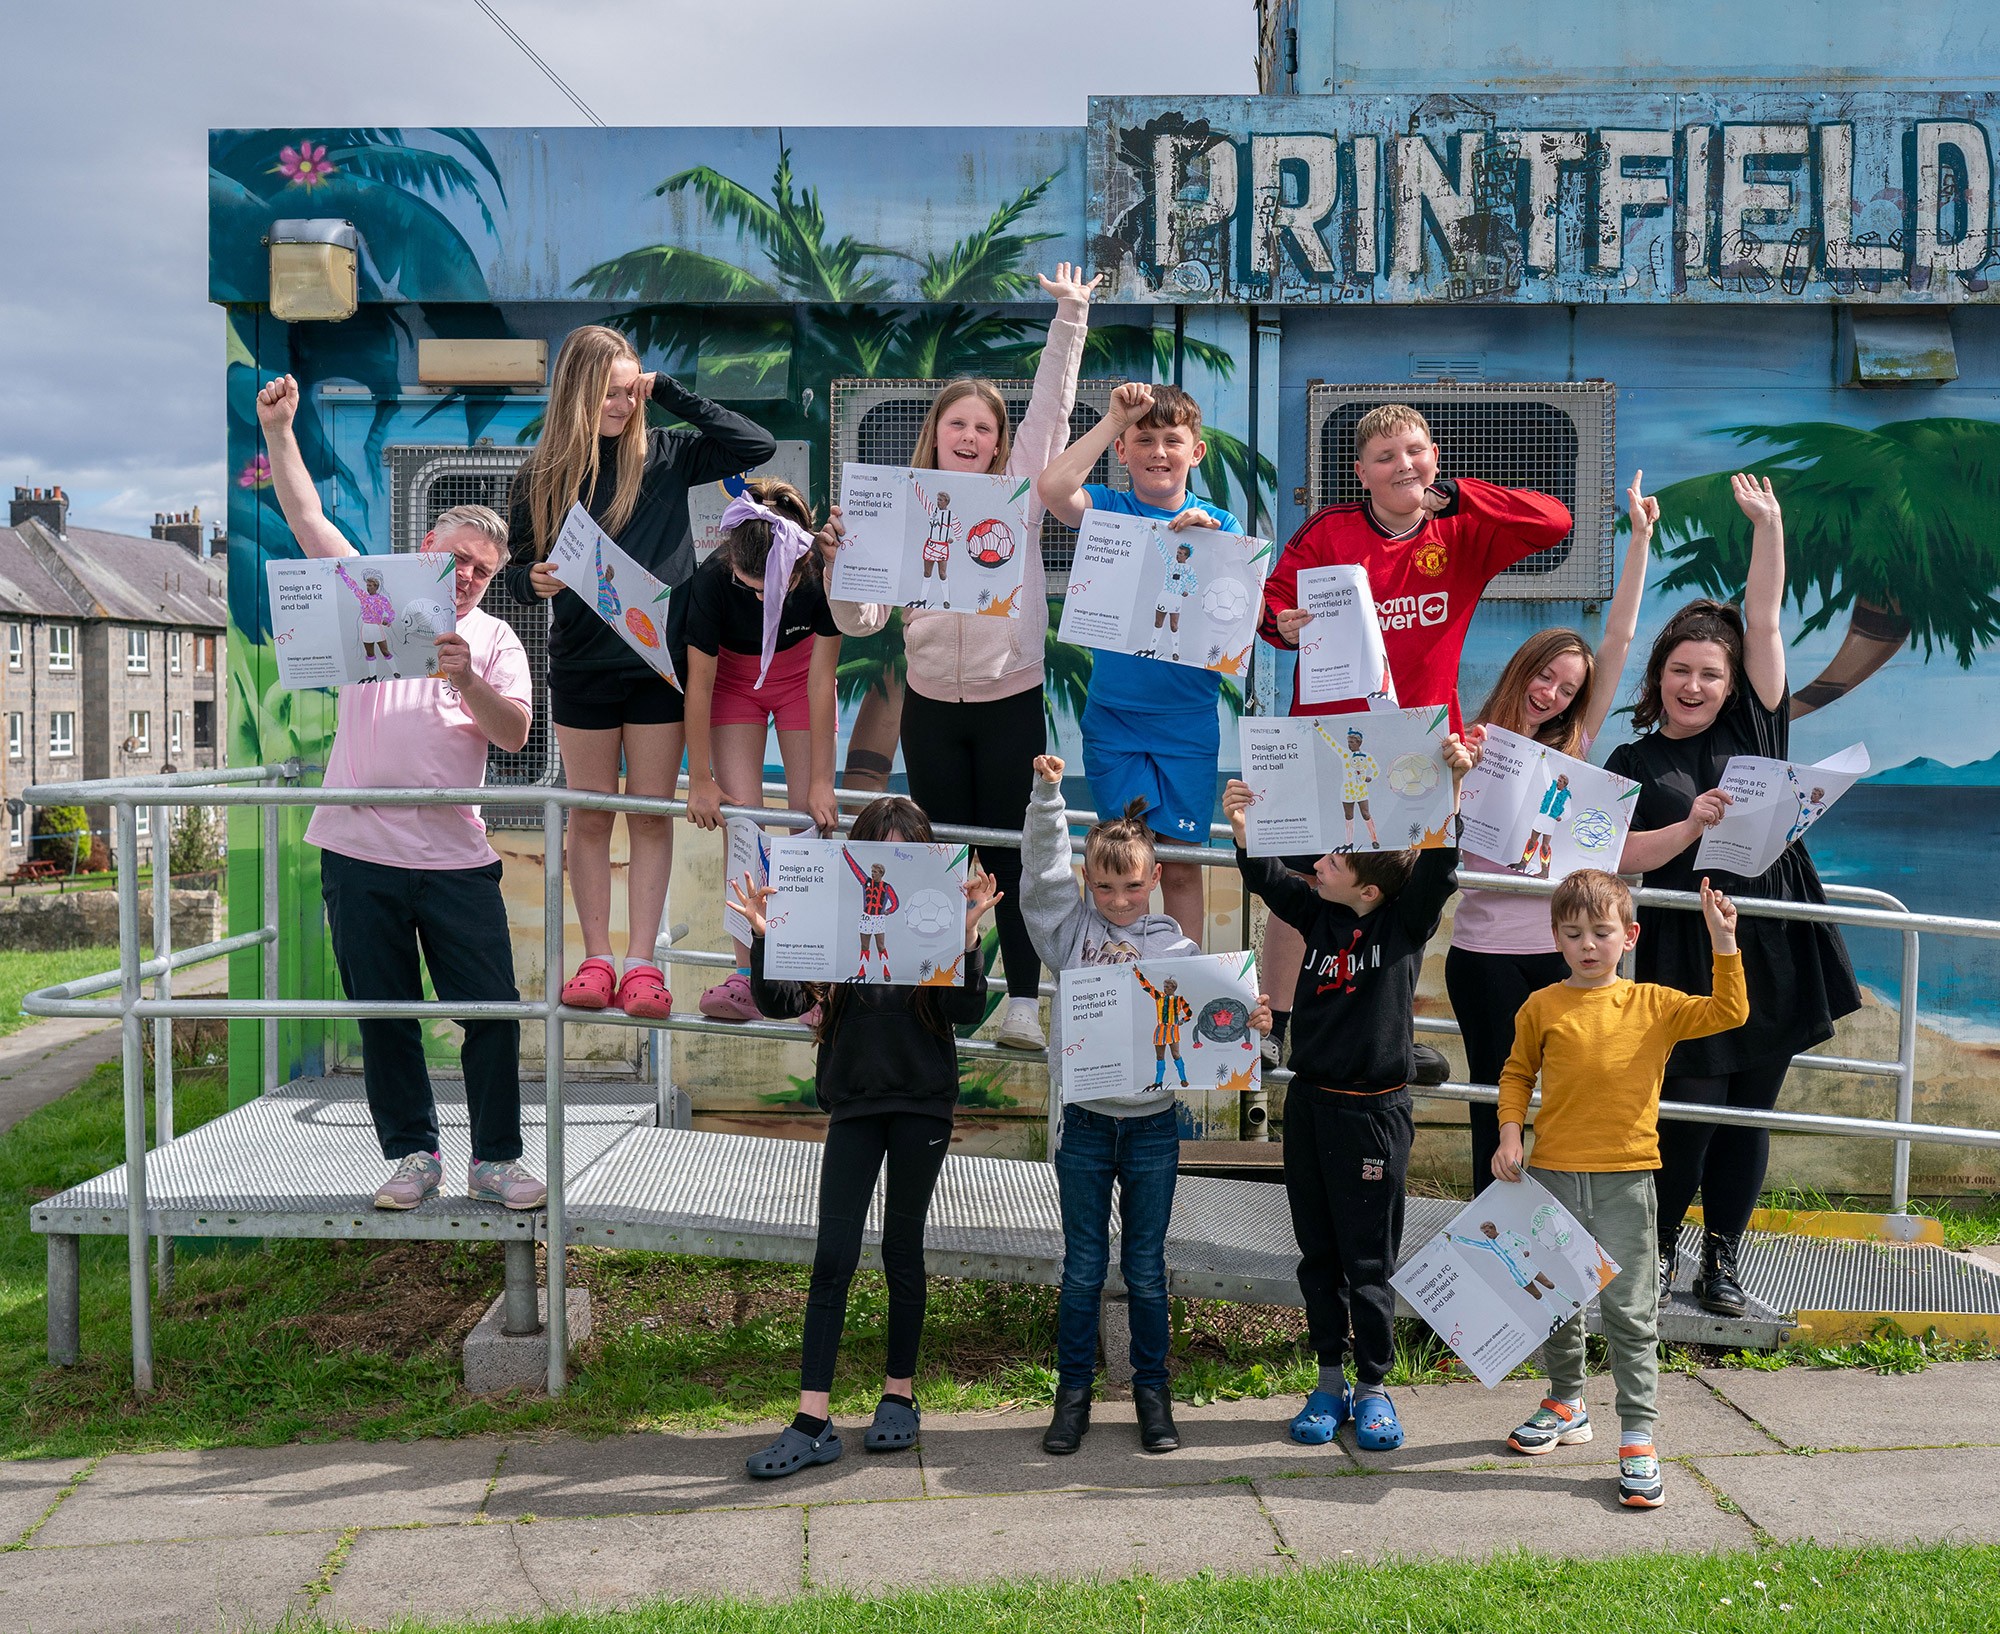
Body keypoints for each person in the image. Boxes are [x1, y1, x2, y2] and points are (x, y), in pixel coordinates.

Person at [254, 374, 545, 1211]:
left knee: (490, 1010)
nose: (466, 578)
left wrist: (465, 679)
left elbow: (516, 734)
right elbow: (309, 519)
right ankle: (414, 1156)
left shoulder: (494, 640)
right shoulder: (369, 596)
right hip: (357, 849)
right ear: (425, 549)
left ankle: (495, 1159)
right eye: (455, 560)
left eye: (483, 572)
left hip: (456, 854)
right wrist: (280, 433)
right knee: (385, 1014)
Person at [823, 264, 1100, 1052]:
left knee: (1013, 855)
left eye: (985, 427)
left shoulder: (1018, 490)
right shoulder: (902, 506)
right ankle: (936, 998)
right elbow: (865, 613)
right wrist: (847, 566)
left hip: (1009, 697)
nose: (971, 437)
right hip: (931, 707)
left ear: (1000, 442)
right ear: (936, 435)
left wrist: (1070, 318)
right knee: (938, 854)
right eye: (958, 426)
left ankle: (1021, 1002)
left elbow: (1050, 405)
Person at [1607, 474, 1860, 1317]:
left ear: (1730, 683)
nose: (1694, 686)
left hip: (1771, 942)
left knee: (1749, 1110)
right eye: (1680, 671)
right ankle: (1662, 1248)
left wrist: (1769, 526)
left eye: (1709, 675)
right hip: (1684, 952)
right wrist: (1686, 831)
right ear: (1659, 675)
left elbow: (1764, 619)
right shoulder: (1632, 763)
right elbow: (1613, 856)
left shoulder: (1757, 727)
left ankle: (1723, 1260)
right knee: (1688, 1111)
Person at [1256, 403, 1573, 1060]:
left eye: (1416, 452)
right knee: (1300, 884)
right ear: (1361, 474)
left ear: (1434, 457)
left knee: (1405, 894)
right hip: (1324, 736)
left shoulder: (1464, 529)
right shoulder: (1330, 530)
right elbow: (1269, 605)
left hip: (1422, 745)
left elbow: (1556, 521)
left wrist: (1460, 497)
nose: (1404, 465)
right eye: (1386, 457)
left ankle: (1386, 1031)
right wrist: (1280, 624)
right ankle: (1275, 1028)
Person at [505, 325, 776, 1020]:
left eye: (631, 392)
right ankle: (596, 958)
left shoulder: (668, 454)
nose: (623, 405)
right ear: (577, 392)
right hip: (583, 667)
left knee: (653, 815)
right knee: (591, 814)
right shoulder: (539, 475)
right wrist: (531, 580)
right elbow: (519, 571)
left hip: (660, 667)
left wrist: (669, 391)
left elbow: (756, 446)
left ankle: (641, 963)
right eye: (611, 393)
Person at [1222, 731, 1476, 1453]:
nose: (1321, 860)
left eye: (1336, 857)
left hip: (1375, 1117)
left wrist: (1450, 788)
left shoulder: (1400, 926)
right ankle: (1327, 1382)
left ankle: (1374, 1388)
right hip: (1312, 1107)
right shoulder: (1321, 914)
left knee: (1369, 1262)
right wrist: (1242, 828)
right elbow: (1270, 879)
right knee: (1318, 1255)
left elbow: (1437, 868)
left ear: (1368, 889)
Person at [733, 796, 1001, 1478]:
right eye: (876, 853)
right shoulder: (830, 932)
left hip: (923, 1107)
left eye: (904, 856)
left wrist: (969, 938)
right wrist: (768, 937)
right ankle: (811, 1418)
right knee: (833, 1257)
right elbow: (781, 1002)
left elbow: (967, 1011)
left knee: (902, 1251)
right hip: (853, 1105)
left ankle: (899, 1397)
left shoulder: (940, 927)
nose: (888, 871)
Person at [1022, 753, 1272, 1456]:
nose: (1119, 900)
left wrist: (1250, 1019)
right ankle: (1073, 1397)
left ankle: (1151, 1395)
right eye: (1103, 886)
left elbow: (1214, 1020)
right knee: (1079, 1268)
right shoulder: (1070, 935)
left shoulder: (1178, 949)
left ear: (1155, 879)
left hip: (1155, 1130)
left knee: (1145, 1270)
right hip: (1087, 1129)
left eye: (1131, 886)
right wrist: (1046, 800)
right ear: (1088, 882)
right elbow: (1040, 882)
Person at [1493, 869, 1748, 1509]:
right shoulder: (1541, 1006)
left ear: (1628, 936)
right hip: (1551, 1174)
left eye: (1601, 932)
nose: (1587, 944)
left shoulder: (1654, 1005)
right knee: (1555, 1299)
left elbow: (1730, 1010)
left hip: (1627, 1179)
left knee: (1631, 1312)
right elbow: (1516, 1074)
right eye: (1573, 933)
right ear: (1555, 937)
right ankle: (1567, 1400)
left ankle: (1638, 1436)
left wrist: (1724, 942)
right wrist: (1509, 1134)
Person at [1446, 470, 1656, 1186]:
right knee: (1492, 1099)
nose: (1553, 694)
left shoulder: (1574, 751)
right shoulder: (1468, 740)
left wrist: (1639, 540)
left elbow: (1621, 636)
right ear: (1524, 669)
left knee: (1563, 1102)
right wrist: (1455, 770)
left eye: (1568, 689)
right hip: (1482, 953)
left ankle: (1554, 1240)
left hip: (1558, 953)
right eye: (1547, 678)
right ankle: (1488, 1238)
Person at [1038, 381, 1241, 940]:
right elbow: (1054, 488)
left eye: (1172, 440)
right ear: (1123, 452)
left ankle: (1180, 992)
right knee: (1114, 868)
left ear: (1195, 452)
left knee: (1179, 866)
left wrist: (1213, 553)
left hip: (1188, 726)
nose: (1158, 452)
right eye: (1143, 439)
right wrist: (1110, 422)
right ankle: (1103, 985)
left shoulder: (1222, 526)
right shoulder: (1108, 508)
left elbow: (1238, 615)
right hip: (1115, 722)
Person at [679, 480, 841, 1018]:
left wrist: (821, 780)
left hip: (799, 680)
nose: (755, 597)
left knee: (809, 824)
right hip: (733, 685)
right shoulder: (710, 579)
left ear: (796, 566)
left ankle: (814, 981)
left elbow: (822, 682)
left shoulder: (821, 569)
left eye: (764, 587)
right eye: (745, 586)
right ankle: (748, 973)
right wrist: (700, 777)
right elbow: (698, 685)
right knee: (743, 823)